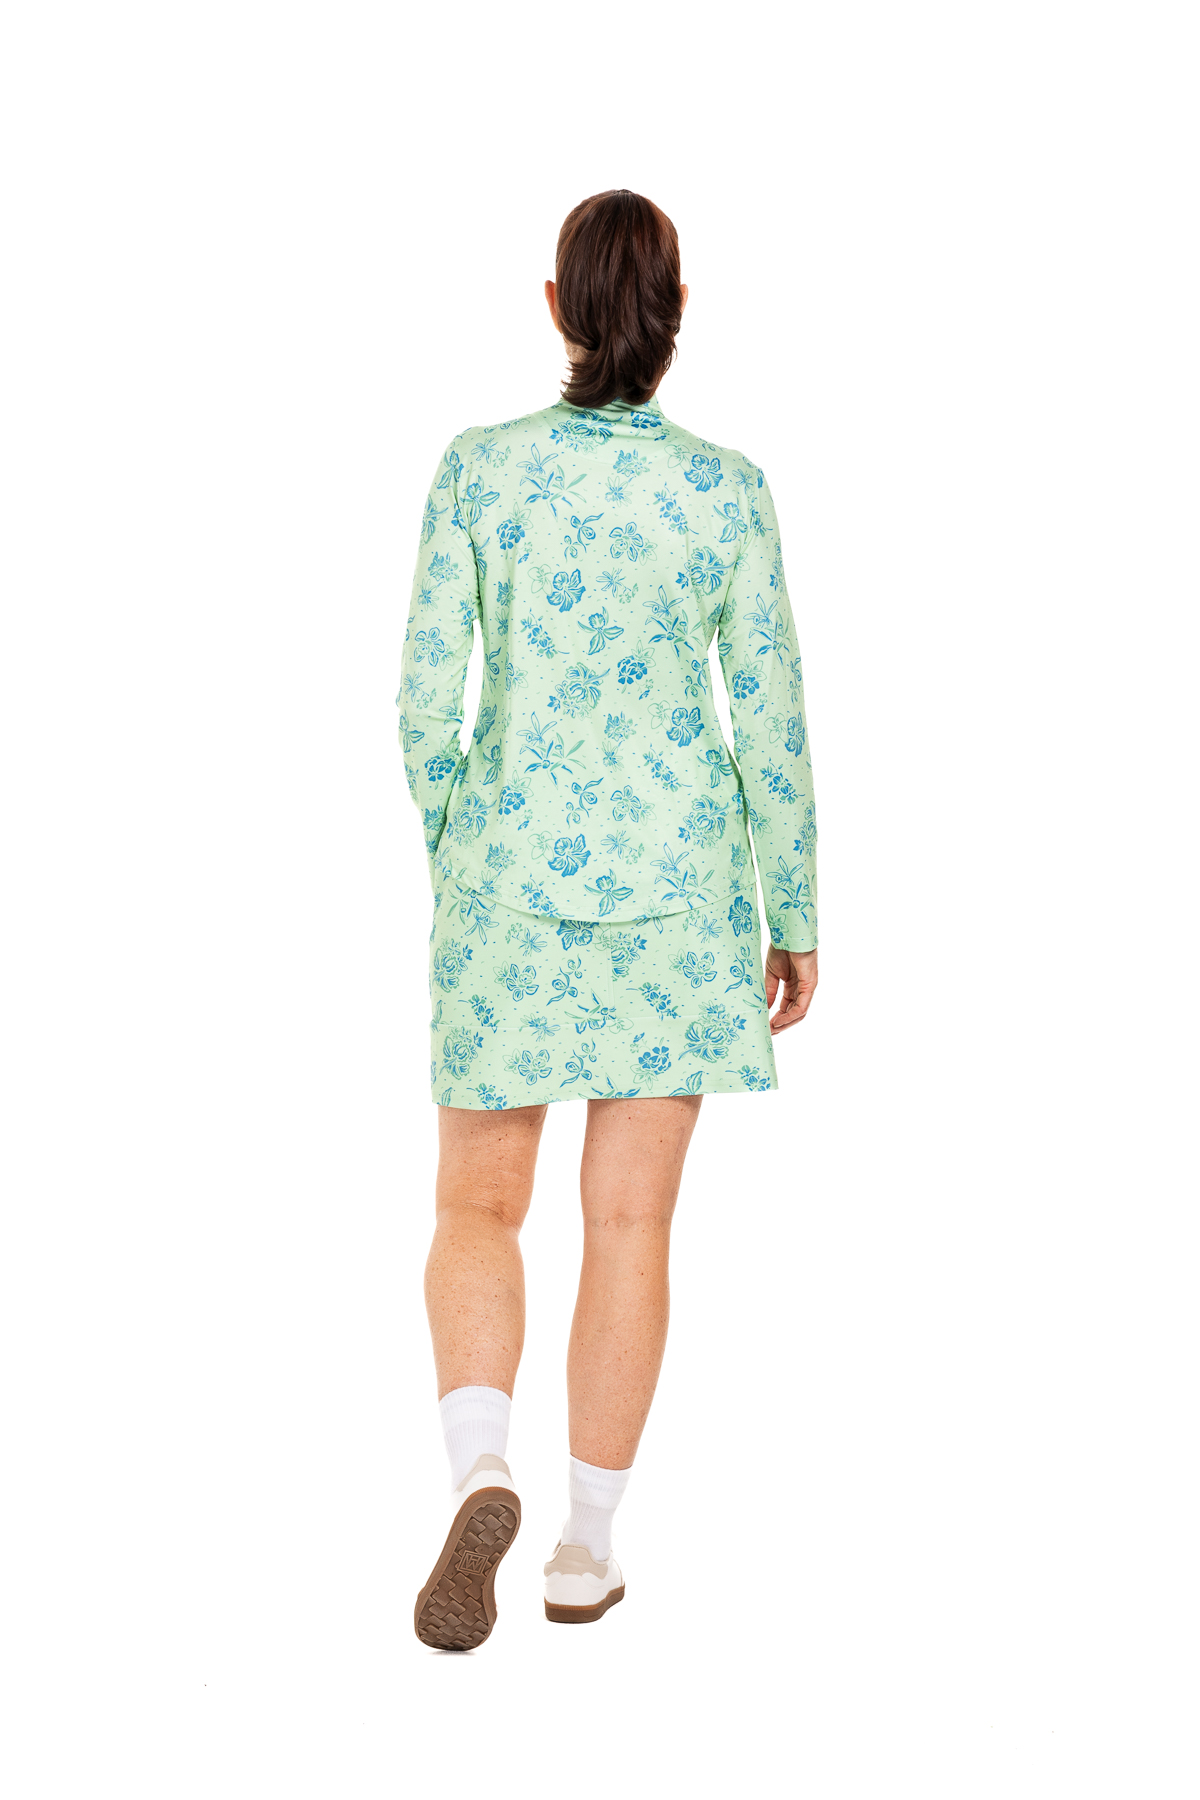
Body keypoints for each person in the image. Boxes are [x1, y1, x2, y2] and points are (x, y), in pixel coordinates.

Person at [401, 190, 818, 1649]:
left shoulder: (480, 470)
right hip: (682, 895)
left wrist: (465, 845)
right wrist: (793, 907)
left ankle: (481, 1469)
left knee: (477, 1206)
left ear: (556, 307)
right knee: (629, 1221)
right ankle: (583, 1548)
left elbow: (424, 702)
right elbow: (769, 716)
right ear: (677, 310)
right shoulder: (726, 490)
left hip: (507, 889)